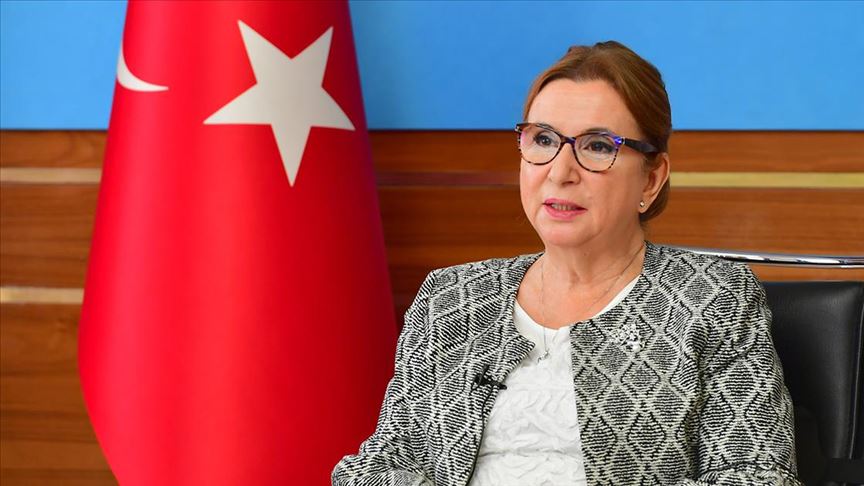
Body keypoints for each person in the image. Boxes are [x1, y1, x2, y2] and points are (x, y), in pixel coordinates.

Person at [332, 41, 800, 485]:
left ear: (651, 179)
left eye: (597, 146)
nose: (559, 172)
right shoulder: (452, 298)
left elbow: (759, 476)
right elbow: (378, 465)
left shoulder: (711, 297)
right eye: (542, 139)